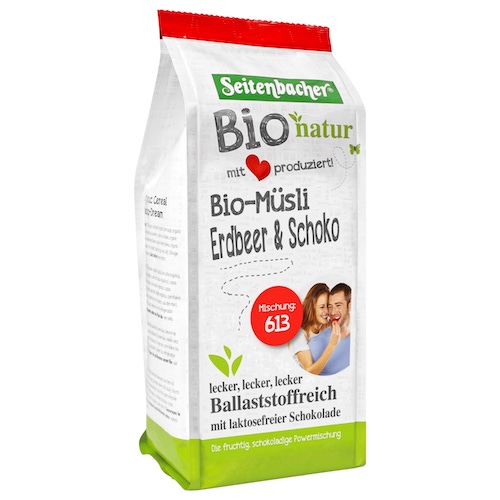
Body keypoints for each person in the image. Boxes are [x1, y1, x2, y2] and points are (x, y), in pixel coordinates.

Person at [289, 283, 341, 375]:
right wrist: (331, 346)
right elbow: (309, 371)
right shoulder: (299, 335)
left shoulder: (325, 325)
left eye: (328, 306)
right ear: (312, 308)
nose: (326, 311)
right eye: (322, 307)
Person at [308, 283, 351, 375]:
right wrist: (332, 345)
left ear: (350, 306)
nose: (332, 312)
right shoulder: (315, 344)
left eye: (338, 305)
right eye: (330, 306)